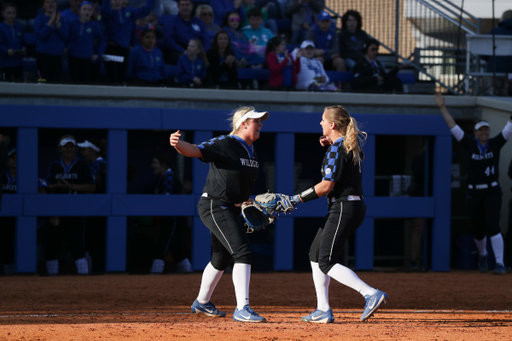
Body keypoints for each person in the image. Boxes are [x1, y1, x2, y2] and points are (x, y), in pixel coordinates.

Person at [281, 105, 387, 323]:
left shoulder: (338, 149)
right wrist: (332, 143)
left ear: (332, 124)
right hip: (349, 206)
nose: (320, 123)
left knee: (326, 261)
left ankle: (370, 293)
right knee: (315, 254)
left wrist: (294, 199)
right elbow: (351, 157)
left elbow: (326, 186)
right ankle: (323, 309)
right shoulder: (346, 146)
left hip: (344, 207)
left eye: (323, 120)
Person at [169, 107, 270, 323]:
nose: (260, 123)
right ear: (243, 123)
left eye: (261, 120)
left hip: (231, 207)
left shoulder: (250, 150)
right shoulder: (226, 142)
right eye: (256, 121)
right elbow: (194, 150)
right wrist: (178, 144)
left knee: (221, 257)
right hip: (215, 205)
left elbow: (237, 181)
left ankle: (202, 302)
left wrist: (247, 200)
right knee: (242, 251)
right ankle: (243, 308)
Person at [434, 93, 512, 275]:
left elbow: (509, 126)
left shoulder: (495, 144)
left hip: (492, 191)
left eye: (486, 130)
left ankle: (499, 263)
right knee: (478, 229)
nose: (484, 132)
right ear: (476, 132)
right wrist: (442, 107)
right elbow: (453, 127)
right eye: (481, 130)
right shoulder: (470, 144)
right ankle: (483, 255)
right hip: (474, 192)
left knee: (493, 226)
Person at [42, 135, 96, 275]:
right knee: (52, 247)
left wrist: (72, 186)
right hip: (56, 212)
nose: (69, 149)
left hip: (75, 210)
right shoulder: (55, 165)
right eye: (66, 146)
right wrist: (57, 186)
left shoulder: (82, 165)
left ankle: (83, 280)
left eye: (71, 146)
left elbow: (91, 187)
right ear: (60, 148)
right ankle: (52, 281)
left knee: (77, 247)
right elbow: (45, 185)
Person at [150, 154, 192, 273]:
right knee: (177, 249)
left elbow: (167, 200)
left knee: (163, 245)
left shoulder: (169, 177)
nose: (152, 166)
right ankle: (190, 274)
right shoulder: (163, 178)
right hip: (168, 219)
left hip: (173, 220)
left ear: (163, 165)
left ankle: (154, 274)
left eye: (155, 162)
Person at [101, 0, 155, 84]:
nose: (118, 2)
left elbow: (145, 10)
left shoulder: (129, 12)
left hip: (124, 51)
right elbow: (105, 9)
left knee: (123, 77)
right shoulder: (108, 12)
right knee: (113, 78)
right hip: (111, 49)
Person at [68, 1, 107, 83]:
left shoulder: (95, 25)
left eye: (89, 10)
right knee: (74, 83)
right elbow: (65, 37)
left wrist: (98, 53)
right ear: (80, 11)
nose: (87, 12)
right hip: (73, 58)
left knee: (85, 83)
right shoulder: (72, 24)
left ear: (92, 12)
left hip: (87, 59)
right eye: (84, 9)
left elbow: (102, 40)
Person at [163, 0, 210, 65]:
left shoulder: (199, 22)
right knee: (186, 58)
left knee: (211, 56)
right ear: (178, 6)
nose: (185, 7)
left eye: (187, 5)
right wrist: (184, 51)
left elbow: (206, 40)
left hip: (198, 50)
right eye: (182, 5)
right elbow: (168, 40)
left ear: (192, 6)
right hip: (178, 50)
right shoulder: (171, 21)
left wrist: (203, 52)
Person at [34, 0, 69, 83]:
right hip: (42, 55)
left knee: (55, 82)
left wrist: (57, 24)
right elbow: (41, 36)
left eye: (53, 2)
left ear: (56, 5)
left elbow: (65, 36)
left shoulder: (63, 19)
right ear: (43, 5)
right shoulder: (39, 18)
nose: (50, 4)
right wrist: (50, 22)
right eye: (47, 2)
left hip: (57, 56)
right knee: (42, 81)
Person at [485, 10, 512, 96]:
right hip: (511, 71)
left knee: (494, 96)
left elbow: (484, 53)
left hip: (495, 68)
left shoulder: (494, 32)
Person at [0, 3, 26, 82]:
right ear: (3, 13)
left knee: (19, 84)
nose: (11, 15)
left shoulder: (19, 28)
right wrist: (6, 50)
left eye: (13, 13)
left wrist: (23, 48)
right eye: (8, 13)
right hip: (5, 63)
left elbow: (23, 42)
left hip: (18, 62)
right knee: (6, 86)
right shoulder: (1, 27)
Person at [0, 149, 16, 275]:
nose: (15, 161)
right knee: (5, 246)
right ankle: (7, 277)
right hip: (3, 219)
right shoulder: (2, 177)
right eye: (12, 158)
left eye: (17, 158)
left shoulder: (28, 177)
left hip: (20, 220)